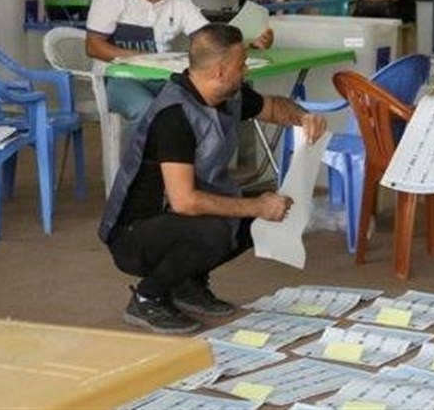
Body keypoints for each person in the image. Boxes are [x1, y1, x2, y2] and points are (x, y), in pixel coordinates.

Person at [97, 23, 327, 333]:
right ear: (220, 71)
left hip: (175, 219)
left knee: (266, 215)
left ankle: (186, 284)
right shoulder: (174, 116)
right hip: (134, 234)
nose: (246, 70)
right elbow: (184, 201)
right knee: (219, 229)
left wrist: (303, 117)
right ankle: (147, 298)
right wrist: (257, 206)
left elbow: (274, 108)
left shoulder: (226, 94)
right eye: (241, 64)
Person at [86, 0, 273, 134]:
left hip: (162, 78)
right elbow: (93, 46)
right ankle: (141, 155)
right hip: (118, 78)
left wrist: (249, 42)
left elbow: (209, 39)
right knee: (147, 110)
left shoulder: (180, 3)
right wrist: (141, 58)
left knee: (209, 101)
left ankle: (202, 153)